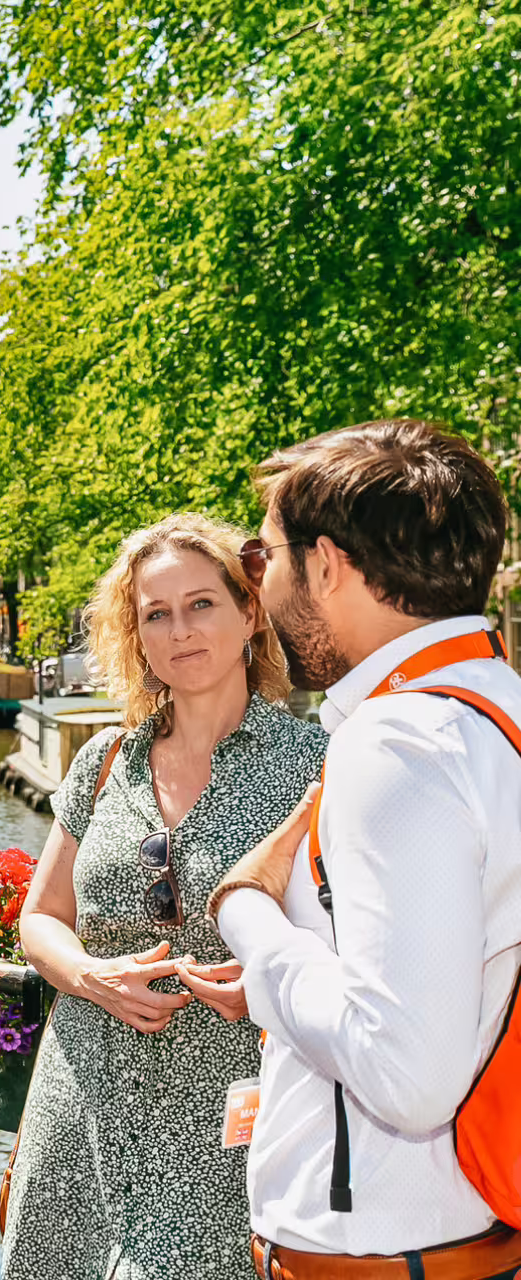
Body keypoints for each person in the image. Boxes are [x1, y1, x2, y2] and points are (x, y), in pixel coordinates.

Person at [216, 420, 521, 1278]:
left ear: (327, 565)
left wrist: (251, 921)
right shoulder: (496, 713)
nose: (261, 587)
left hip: (386, 1253)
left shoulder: (400, 743)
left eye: (262, 556)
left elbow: (404, 1074)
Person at [3, 513, 327, 1279]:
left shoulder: (318, 766)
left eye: (202, 604)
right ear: (137, 637)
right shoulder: (104, 759)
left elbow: (363, 950)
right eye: (157, 614)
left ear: (250, 612)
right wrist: (91, 977)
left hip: (224, 1120)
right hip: (81, 1100)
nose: (181, 630)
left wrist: (269, 988)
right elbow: (41, 917)